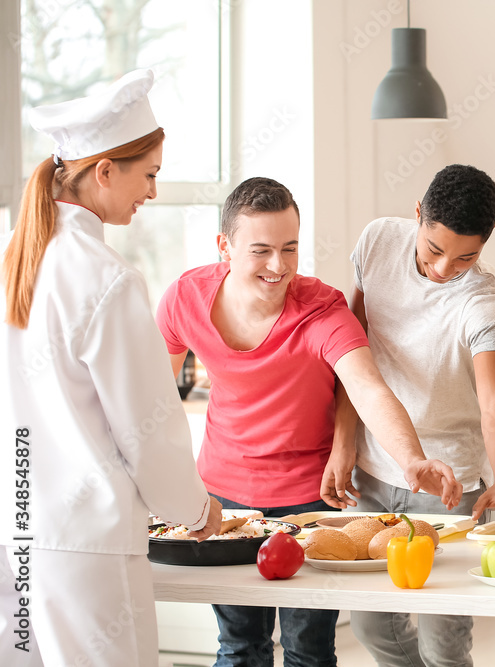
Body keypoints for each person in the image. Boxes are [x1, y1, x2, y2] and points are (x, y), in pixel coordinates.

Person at [155, 176, 462, 667]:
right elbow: (151, 398)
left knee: (308, 652)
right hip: (222, 500)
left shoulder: (321, 309)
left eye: (290, 248)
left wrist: (411, 458)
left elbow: (368, 387)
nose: (279, 266)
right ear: (224, 246)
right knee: (239, 649)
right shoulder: (184, 298)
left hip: (309, 504)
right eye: (261, 250)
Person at [0, 69, 223, 667]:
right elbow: (147, 430)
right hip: (86, 548)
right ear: (105, 171)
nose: (151, 192)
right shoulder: (106, 279)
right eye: (148, 174)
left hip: (15, 535)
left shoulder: (14, 261)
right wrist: (197, 510)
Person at [340, 164, 495, 667]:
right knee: (373, 624)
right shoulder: (378, 242)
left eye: (466, 256)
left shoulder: (484, 302)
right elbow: (351, 350)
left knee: (443, 642)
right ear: (417, 215)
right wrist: (344, 441)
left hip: (451, 485)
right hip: (375, 471)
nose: (445, 268)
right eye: (435, 249)